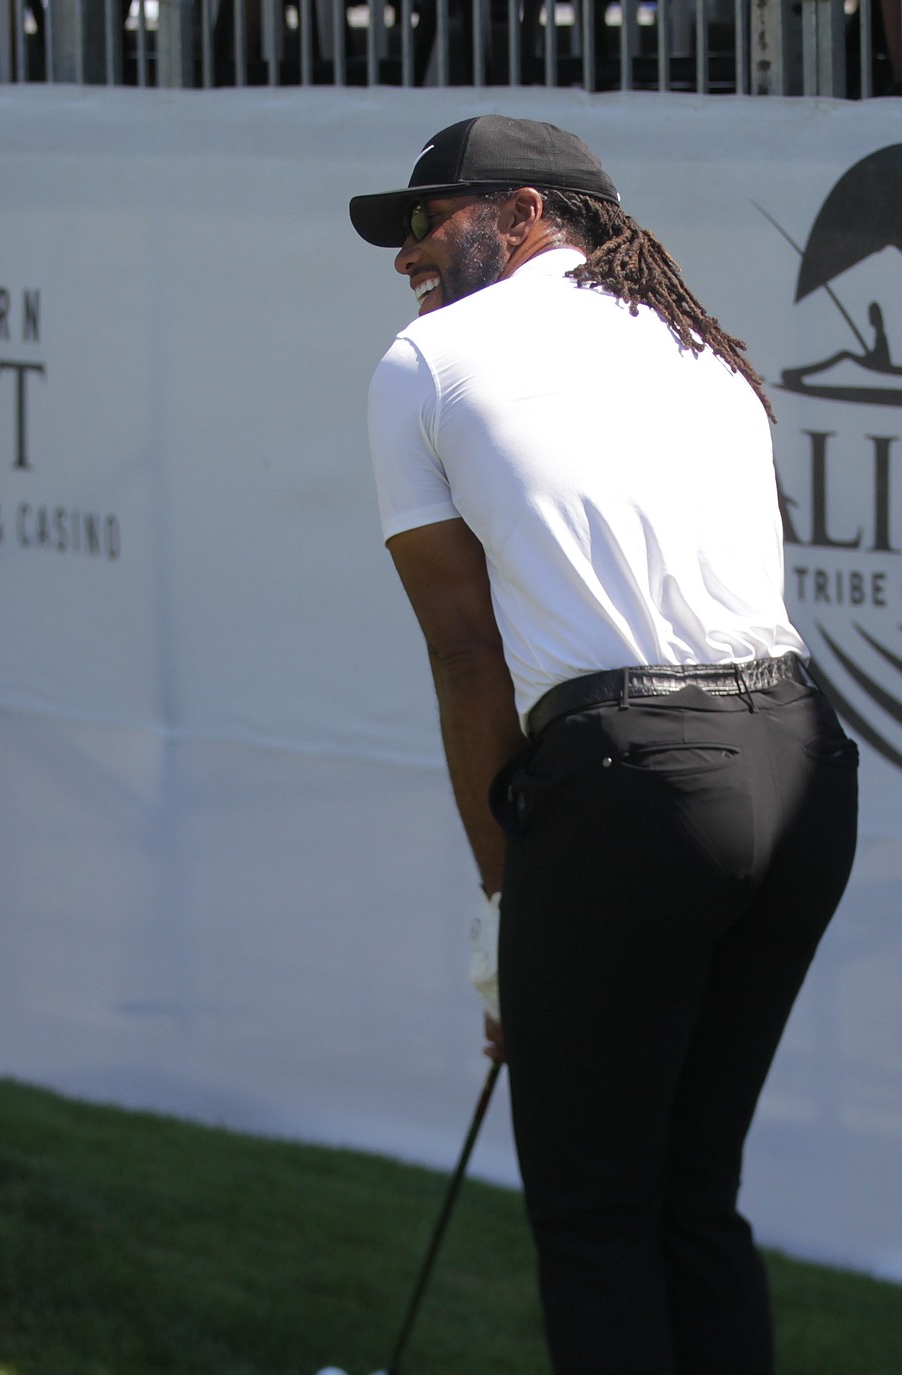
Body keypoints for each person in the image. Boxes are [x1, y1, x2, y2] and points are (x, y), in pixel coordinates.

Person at [349, 115, 859, 1375]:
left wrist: (505, 909)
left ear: (525, 212)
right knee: (692, 1194)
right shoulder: (700, 343)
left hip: (633, 789)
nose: (406, 255)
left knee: (595, 1218)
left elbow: (466, 656)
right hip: (801, 767)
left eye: (428, 221)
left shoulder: (428, 358)